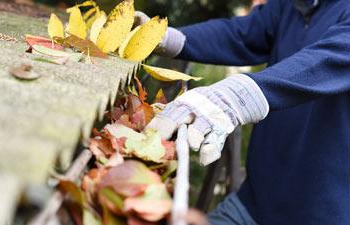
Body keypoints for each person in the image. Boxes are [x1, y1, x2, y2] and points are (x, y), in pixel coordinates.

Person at [136, 0, 350, 224]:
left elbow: (333, 57)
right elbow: (241, 34)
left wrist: (238, 96)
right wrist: (166, 38)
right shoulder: (292, 5)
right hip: (251, 205)